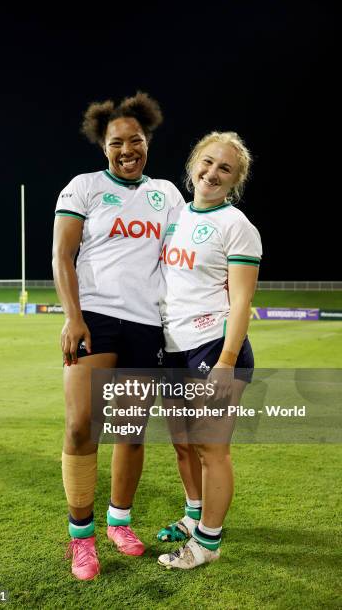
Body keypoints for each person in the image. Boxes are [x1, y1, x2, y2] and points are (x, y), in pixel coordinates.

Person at [52, 92, 185, 580]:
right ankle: (81, 539)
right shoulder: (83, 187)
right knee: (81, 426)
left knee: (130, 431)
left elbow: (178, 262)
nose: (127, 149)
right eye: (116, 142)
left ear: (147, 142)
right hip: (94, 318)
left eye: (136, 140)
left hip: (146, 323)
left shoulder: (167, 194)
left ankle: (119, 523)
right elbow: (62, 256)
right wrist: (73, 318)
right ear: (103, 146)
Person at [156, 131, 262, 570]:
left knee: (211, 450)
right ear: (192, 164)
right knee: (182, 444)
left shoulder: (237, 226)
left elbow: (242, 302)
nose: (212, 173)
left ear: (235, 180)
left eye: (225, 168)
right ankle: (193, 515)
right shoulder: (174, 217)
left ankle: (207, 544)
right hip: (171, 348)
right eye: (207, 162)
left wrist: (225, 363)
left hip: (214, 348)